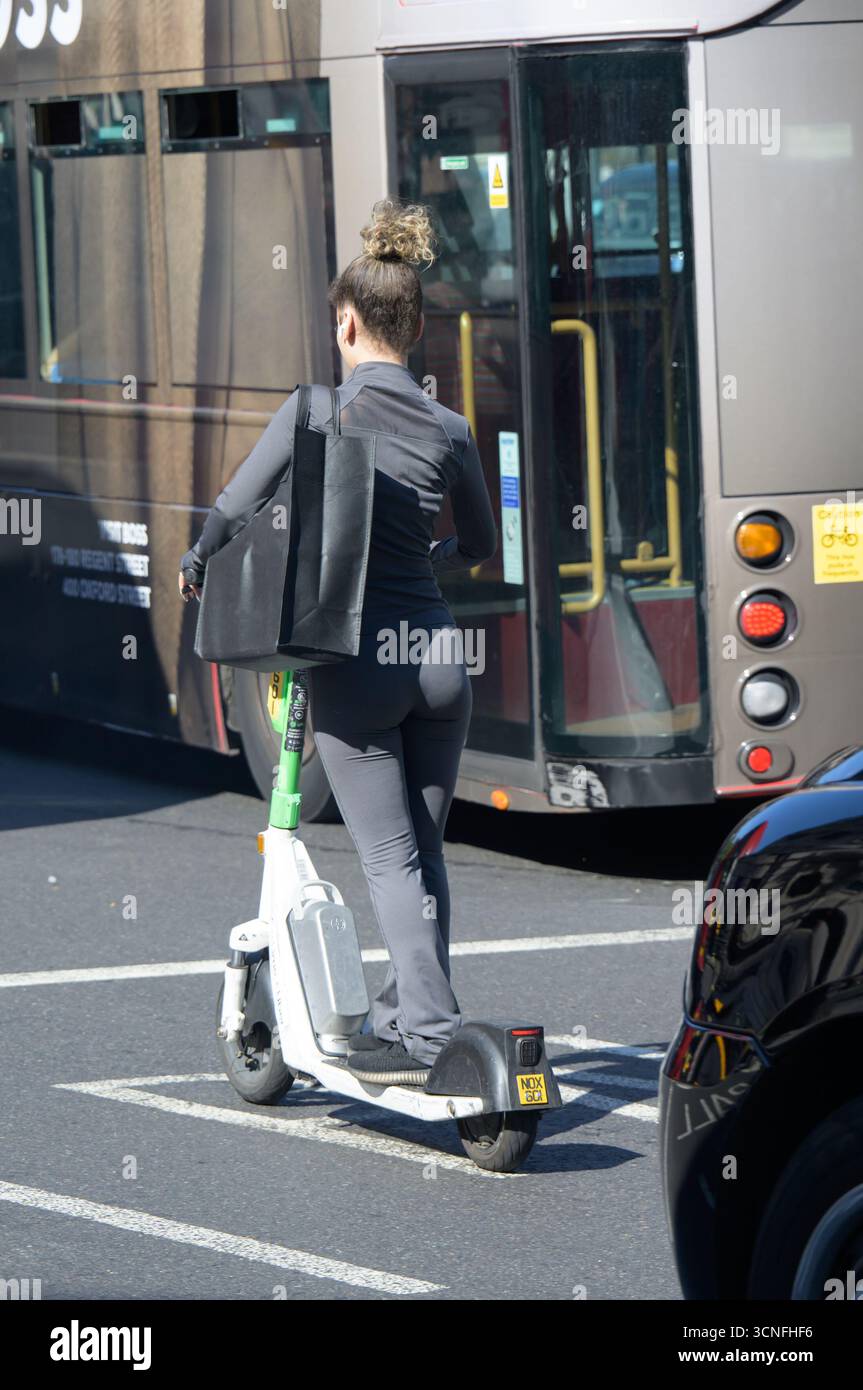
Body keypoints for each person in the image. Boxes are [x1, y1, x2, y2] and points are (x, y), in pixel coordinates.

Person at [178, 199, 497, 1085]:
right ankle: (403, 1012)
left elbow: (238, 504)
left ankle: (430, 1033)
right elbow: (479, 546)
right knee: (425, 855)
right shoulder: (450, 428)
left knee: (390, 859)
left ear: (347, 323)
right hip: (437, 661)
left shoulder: (316, 411)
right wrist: (427, 557)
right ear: (421, 327)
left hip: (358, 663)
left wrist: (197, 560)